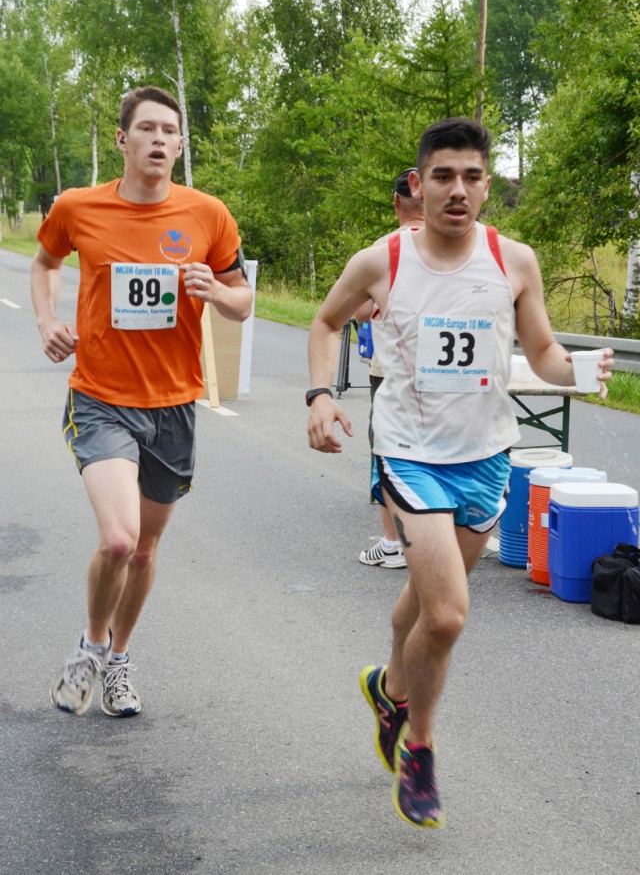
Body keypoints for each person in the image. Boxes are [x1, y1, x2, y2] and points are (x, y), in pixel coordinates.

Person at [306, 117, 614, 828]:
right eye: (443, 175)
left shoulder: (516, 262)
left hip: (486, 458)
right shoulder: (381, 261)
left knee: (425, 602)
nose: (457, 189)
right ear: (419, 184)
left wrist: (577, 371)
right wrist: (321, 397)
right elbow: (324, 325)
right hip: (410, 454)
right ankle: (418, 746)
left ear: (486, 188)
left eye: (472, 177)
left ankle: (386, 685)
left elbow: (540, 354)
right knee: (446, 613)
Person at [31, 85, 253, 718]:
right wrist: (47, 320)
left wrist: (216, 289)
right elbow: (44, 262)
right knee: (122, 539)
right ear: (122, 141)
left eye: (170, 131)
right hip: (100, 397)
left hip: (174, 406)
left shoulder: (208, 214)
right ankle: (90, 647)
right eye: (147, 129)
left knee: (148, 549)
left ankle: (119, 657)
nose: (159, 140)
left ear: (181, 145)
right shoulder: (79, 207)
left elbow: (243, 302)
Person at [358, 168, 423, 570]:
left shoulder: (384, 250)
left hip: (392, 374)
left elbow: (360, 308)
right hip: (451, 378)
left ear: (396, 202)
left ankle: (392, 542)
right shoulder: (457, 246)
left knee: (390, 455)